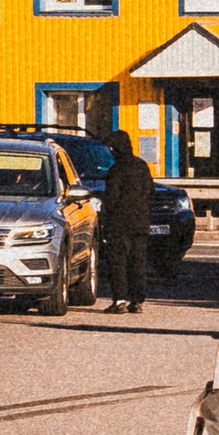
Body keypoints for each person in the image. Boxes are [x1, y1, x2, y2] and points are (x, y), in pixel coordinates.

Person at [97, 128, 156, 312]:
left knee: (118, 262)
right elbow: (151, 191)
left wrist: (105, 218)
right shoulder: (142, 165)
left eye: (111, 148)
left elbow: (111, 197)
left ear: (115, 148)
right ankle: (137, 301)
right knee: (138, 262)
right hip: (140, 222)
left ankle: (119, 300)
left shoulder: (116, 169)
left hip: (119, 223)